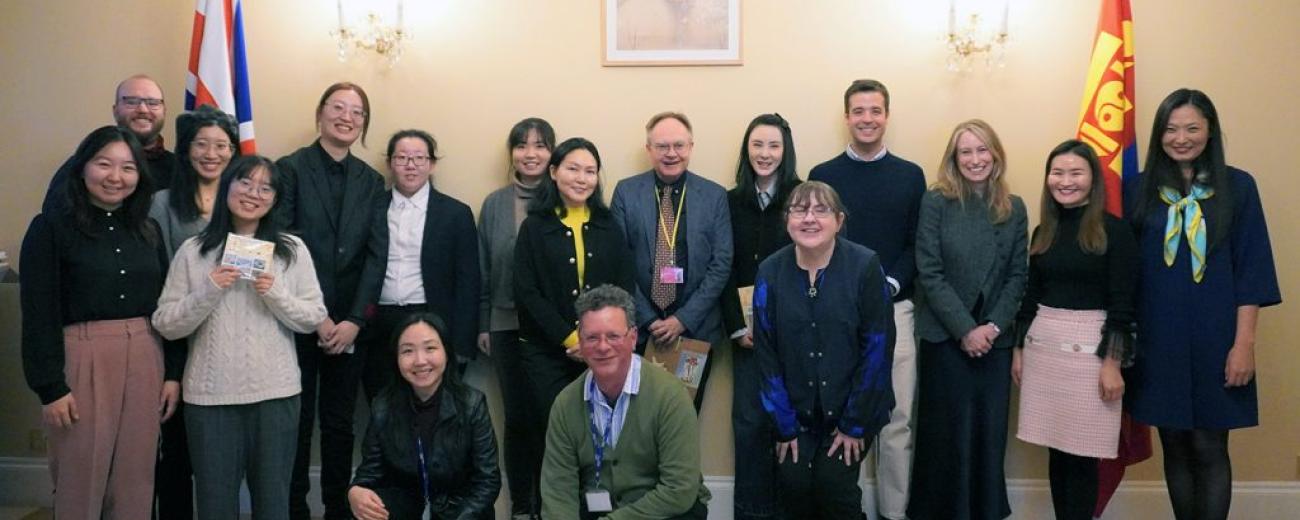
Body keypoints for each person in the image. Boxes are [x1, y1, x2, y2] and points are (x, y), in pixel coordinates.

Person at [1124, 89, 1281, 520]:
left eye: (1192, 128)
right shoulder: (1138, 189)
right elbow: (1125, 273)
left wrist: (1243, 345)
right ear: (1159, 135)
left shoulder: (1239, 187)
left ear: (1210, 131)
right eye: (1171, 129)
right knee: (1174, 443)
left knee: (1210, 445)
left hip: (1218, 340)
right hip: (1159, 340)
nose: (1181, 138)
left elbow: (1252, 272)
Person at [20, 125, 184, 519]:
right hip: (82, 356)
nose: (115, 177)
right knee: (80, 472)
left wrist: (172, 373)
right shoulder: (50, 227)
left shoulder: (148, 229)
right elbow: (39, 311)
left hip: (146, 354)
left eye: (128, 168)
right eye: (103, 164)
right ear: (82, 168)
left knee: (136, 475)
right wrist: (50, 388)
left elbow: (166, 305)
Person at [152, 155, 328, 520]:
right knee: (214, 505)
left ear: (275, 199)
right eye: (245, 182)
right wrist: (210, 289)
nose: (253, 193)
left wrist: (275, 293)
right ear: (227, 186)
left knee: (274, 504)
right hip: (209, 398)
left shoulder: (291, 250)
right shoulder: (193, 251)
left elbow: (313, 318)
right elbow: (166, 323)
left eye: (265, 188)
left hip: (276, 395)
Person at [807, 79, 926, 520]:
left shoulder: (910, 175)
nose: (867, 119)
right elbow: (816, 241)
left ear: (886, 116)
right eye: (858, 111)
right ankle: (846, 511)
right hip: (839, 313)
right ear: (847, 117)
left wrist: (887, 285)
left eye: (875, 111)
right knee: (842, 413)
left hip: (897, 309)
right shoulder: (824, 174)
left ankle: (893, 512)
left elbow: (916, 244)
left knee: (897, 420)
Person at [275, 82, 389, 520]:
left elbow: (376, 256)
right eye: (338, 107)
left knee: (341, 424)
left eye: (357, 112)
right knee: (298, 421)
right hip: (297, 320)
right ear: (320, 113)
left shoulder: (371, 181)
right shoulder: (289, 169)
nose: (347, 117)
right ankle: (294, 509)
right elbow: (281, 245)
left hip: (350, 325)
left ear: (364, 123)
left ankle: (338, 510)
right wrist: (317, 317)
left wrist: (356, 320)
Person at [752, 181, 895, 520]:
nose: (809, 219)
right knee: (794, 483)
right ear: (787, 220)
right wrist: (785, 425)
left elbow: (878, 349)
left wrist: (853, 425)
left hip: (853, 410)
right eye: (800, 210)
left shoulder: (865, 266)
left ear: (839, 220)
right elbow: (766, 354)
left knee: (834, 486)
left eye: (821, 210)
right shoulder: (770, 272)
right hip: (793, 414)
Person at [1011, 140, 1138, 520]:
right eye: (1058, 173)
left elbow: (1123, 304)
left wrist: (1112, 363)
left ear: (1093, 179)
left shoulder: (1115, 231)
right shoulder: (1044, 231)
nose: (1065, 181)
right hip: (1043, 351)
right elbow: (1031, 296)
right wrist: (1018, 350)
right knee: (1057, 451)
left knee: (1082, 454)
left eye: (1075, 173)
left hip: (1092, 357)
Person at [908, 119, 1027, 520]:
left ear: (995, 154)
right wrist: (965, 330)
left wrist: (991, 328)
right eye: (966, 152)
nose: (975, 159)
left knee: (987, 437)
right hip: (946, 338)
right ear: (954, 159)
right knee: (945, 438)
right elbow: (929, 270)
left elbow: (1018, 276)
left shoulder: (1014, 207)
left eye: (982, 150)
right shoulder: (936, 201)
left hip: (995, 342)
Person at [540, 285, 710, 519]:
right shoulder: (565, 404)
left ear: (633, 338)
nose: (602, 347)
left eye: (613, 336)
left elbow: (679, 489)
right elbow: (558, 492)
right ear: (580, 341)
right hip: (597, 509)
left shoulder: (670, 396)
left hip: (663, 511)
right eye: (592, 337)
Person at [515, 137, 636, 467]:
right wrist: (572, 339)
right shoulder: (534, 227)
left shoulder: (608, 226)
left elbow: (624, 287)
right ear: (554, 172)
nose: (582, 178)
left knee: (602, 435)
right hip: (546, 352)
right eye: (573, 169)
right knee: (552, 436)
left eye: (590, 171)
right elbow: (527, 293)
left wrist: (596, 341)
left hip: (603, 351)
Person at [147, 103, 241, 519]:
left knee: (225, 455)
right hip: (181, 339)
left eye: (221, 145)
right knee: (177, 452)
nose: (211, 153)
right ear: (186, 149)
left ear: (234, 151)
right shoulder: (162, 203)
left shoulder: (245, 199)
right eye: (202, 144)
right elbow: (159, 283)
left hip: (234, 340)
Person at [610, 111, 732, 411]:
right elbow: (617, 261)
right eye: (662, 146)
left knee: (684, 416)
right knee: (637, 418)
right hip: (639, 330)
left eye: (679, 145)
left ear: (691, 147)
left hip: (695, 331)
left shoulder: (714, 195)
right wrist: (648, 319)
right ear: (649, 149)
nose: (671, 153)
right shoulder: (626, 192)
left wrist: (682, 320)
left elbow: (721, 263)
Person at [359, 129, 479, 403]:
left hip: (433, 318)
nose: (410, 165)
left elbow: (468, 282)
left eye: (419, 158)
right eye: (402, 158)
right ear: (390, 163)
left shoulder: (456, 213)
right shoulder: (371, 207)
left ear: (432, 164)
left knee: (435, 407)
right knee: (383, 403)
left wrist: (462, 343)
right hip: (379, 321)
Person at [721, 113, 801, 520]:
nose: (765, 154)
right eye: (757, 145)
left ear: (785, 151)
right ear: (746, 150)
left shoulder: (802, 198)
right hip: (746, 336)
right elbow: (722, 268)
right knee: (750, 425)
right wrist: (738, 327)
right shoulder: (729, 201)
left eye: (773, 145)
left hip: (794, 334)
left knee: (791, 424)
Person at [477, 117, 556, 519]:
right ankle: (522, 506)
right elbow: (483, 267)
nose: (530, 154)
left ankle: (550, 504)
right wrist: (483, 323)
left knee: (552, 417)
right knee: (518, 417)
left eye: (540, 145)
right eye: (522, 145)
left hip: (553, 329)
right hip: (505, 324)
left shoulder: (565, 196)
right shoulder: (495, 204)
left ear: (552, 152)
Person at [348, 313, 501, 520]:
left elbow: (487, 480)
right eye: (408, 351)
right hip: (407, 506)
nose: (420, 361)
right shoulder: (383, 406)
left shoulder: (472, 404)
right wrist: (356, 490)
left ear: (446, 352)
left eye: (430, 348)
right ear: (396, 358)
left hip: (461, 510)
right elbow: (369, 473)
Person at [44, 74, 181, 213]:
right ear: (115, 110)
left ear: (164, 111)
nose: (143, 109)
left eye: (153, 103)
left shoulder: (180, 169)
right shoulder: (83, 164)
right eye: (131, 101)